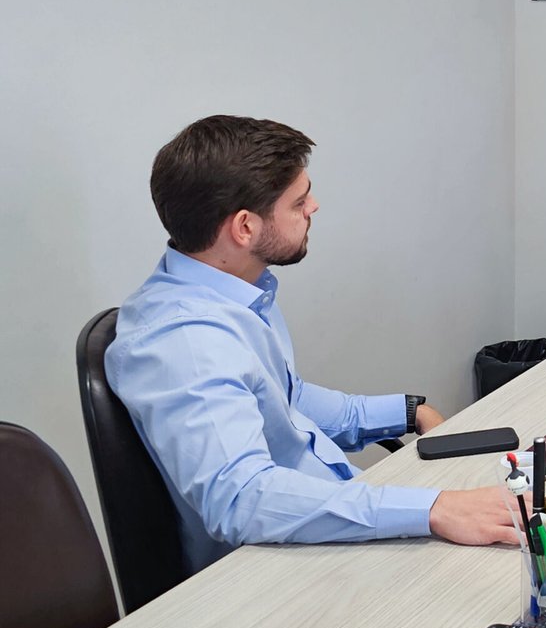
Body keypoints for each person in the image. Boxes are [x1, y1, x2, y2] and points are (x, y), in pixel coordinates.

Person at [107, 116, 522, 574]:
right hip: (279, 569)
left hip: (325, 531)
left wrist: (406, 412)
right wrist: (433, 510)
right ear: (244, 228)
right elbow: (243, 500)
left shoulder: (234, 290)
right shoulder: (186, 343)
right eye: (299, 201)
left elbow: (285, 399)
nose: (314, 207)